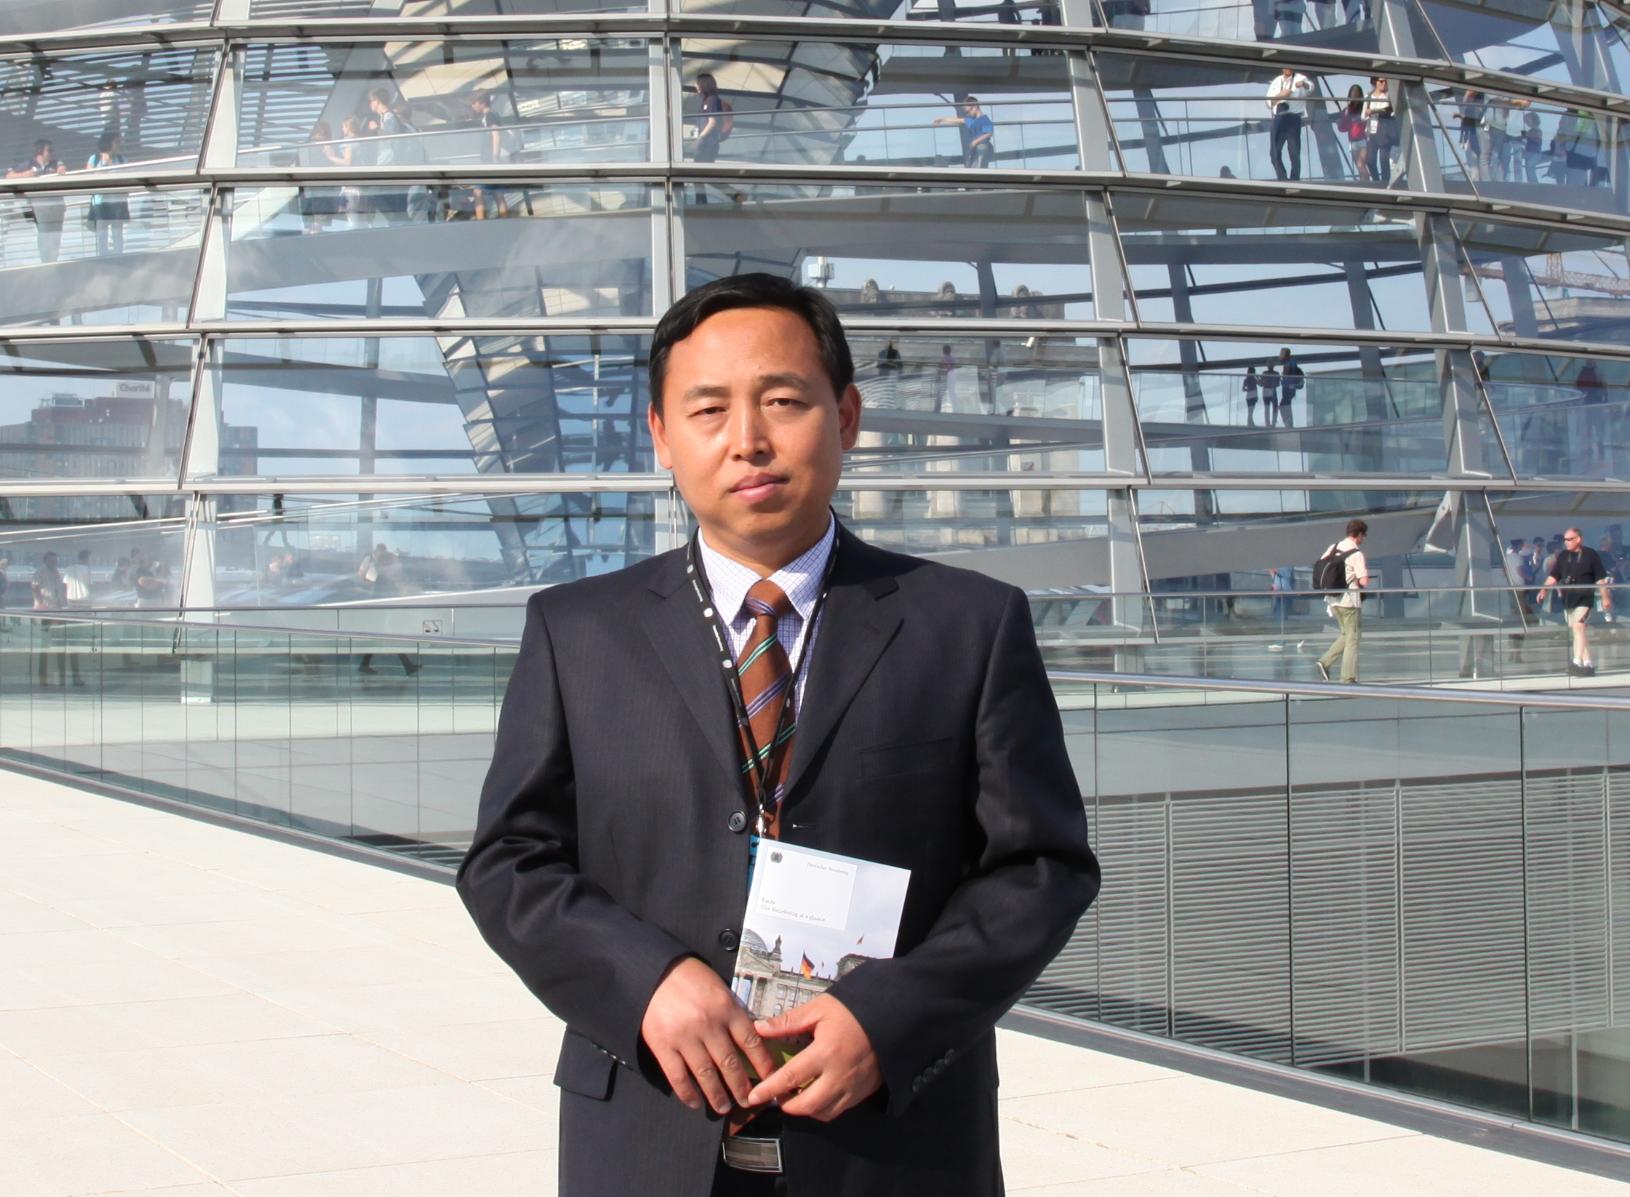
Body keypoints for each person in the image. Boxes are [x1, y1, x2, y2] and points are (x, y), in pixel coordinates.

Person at [457, 273, 1099, 1196]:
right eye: (708, 409)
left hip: (894, 1144)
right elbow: (508, 862)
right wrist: (646, 982)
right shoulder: (576, 631)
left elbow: (1041, 868)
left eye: (784, 401)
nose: (748, 439)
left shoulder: (969, 624)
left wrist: (890, 1017)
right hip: (646, 1138)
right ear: (661, 436)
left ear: (847, 416)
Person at [1536, 528, 1611, 676]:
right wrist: (1544, 590)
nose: (1566, 542)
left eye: (1570, 539)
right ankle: (1588, 663)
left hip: (1585, 598)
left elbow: (1600, 578)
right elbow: (1554, 576)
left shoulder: (1590, 555)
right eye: (1565, 539)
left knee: (1578, 626)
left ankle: (1576, 662)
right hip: (1569, 599)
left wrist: (1605, 597)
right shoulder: (1563, 556)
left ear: (1579, 539)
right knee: (1578, 631)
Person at [1316, 518, 1370, 683]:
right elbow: (1364, 581)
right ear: (1358, 534)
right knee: (1353, 638)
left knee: (1346, 634)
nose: (1364, 538)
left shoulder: (1333, 548)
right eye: (1364, 535)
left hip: (1333, 600)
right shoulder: (1356, 554)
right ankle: (1348, 678)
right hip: (1349, 601)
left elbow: (1321, 565)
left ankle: (1324, 662)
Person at [356, 543, 421, 675]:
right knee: (391, 638)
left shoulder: (382, 577)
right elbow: (387, 595)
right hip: (383, 613)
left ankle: (365, 664)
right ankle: (407, 666)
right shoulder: (384, 578)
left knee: (383, 638)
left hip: (381, 613)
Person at [7, 139, 69, 263]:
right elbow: (9, 176)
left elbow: (63, 169)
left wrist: (61, 170)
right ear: (40, 151)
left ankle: (53, 262)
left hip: (56, 208)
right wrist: (27, 175)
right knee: (44, 236)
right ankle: (45, 262)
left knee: (56, 237)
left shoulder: (55, 163)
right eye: (49, 150)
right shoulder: (29, 164)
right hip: (39, 208)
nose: (52, 153)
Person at [32, 551, 83, 686]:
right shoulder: (40, 572)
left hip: (58, 611)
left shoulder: (57, 573)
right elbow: (35, 588)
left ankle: (63, 677)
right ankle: (43, 678)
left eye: (55, 561)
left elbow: (60, 589)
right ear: (45, 561)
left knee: (62, 644)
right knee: (45, 646)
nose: (54, 563)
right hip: (46, 612)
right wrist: (41, 603)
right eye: (51, 561)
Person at [1265, 67, 1313, 182]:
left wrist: (1303, 84)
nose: (1288, 68)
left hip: (1293, 117)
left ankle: (1294, 179)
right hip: (1278, 118)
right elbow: (1268, 102)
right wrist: (1281, 96)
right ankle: (1282, 178)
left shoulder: (1300, 78)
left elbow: (1311, 87)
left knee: (1294, 151)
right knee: (1274, 152)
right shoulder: (1277, 81)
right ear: (1282, 69)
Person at [86, 131, 129, 256]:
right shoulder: (95, 158)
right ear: (109, 143)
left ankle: (118, 255)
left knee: (117, 232)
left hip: (117, 200)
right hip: (101, 201)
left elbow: (126, 176)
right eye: (116, 142)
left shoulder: (121, 159)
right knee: (102, 232)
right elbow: (89, 176)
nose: (119, 145)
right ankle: (103, 256)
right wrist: (104, 164)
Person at [469, 92, 511, 220]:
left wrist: (494, 157)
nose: (472, 106)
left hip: (489, 161)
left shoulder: (489, 115)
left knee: (478, 192)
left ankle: (481, 223)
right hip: (493, 160)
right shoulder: (494, 113)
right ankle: (505, 220)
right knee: (498, 193)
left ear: (481, 102)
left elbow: (496, 134)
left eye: (474, 103)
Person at [934, 95, 995, 169]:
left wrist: (976, 141)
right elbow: (958, 120)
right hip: (974, 149)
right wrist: (941, 119)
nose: (967, 114)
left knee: (981, 152)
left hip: (982, 147)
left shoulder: (984, 119)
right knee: (972, 164)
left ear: (975, 107)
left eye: (968, 111)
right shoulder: (971, 120)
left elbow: (989, 133)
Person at [1363, 78, 1396, 185]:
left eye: (1386, 81)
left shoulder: (1389, 96)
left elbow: (1390, 111)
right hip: (1372, 131)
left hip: (1384, 131)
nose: (1384, 83)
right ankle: (1377, 181)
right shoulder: (1368, 97)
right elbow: (1363, 115)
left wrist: (1374, 112)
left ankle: (1385, 183)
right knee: (1370, 160)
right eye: (1381, 81)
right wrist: (1369, 114)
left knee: (1384, 160)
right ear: (1375, 82)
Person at [1336, 84, 1369, 182]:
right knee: (1360, 166)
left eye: (1356, 94)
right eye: (1353, 94)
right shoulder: (1347, 110)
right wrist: (1344, 117)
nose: (1354, 96)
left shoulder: (1364, 108)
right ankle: (1364, 184)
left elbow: (1367, 121)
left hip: (1363, 140)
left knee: (1361, 164)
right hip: (1353, 141)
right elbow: (1343, 128)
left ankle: (1367, 184)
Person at [692, 73, 727, 164]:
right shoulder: (705, 100)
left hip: (708, 143)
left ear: (704, 84)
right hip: (705, 142)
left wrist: (700, 138)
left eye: (697, 83)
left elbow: (712, 122)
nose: (695, 86)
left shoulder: (712, 100)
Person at [1276, 347, 1303, 429]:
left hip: (1288, 388)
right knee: (1286, 405)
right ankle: (1289, 423)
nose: (1280, 355)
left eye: (1281, 354)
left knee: (1283, 405)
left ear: (1285, 355)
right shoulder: (1292, 362)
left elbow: (1287, 376)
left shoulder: (1288, 363)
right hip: (1291, 388)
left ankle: (1288, 424)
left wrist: (1282, 379)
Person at [875, 338, 902, 408]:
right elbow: (879, 364)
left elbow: (900, 364)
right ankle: (882, 404)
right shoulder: (881, 353)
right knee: (883, 391)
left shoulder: (895, 352)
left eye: (888, 343)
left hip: (892, 375)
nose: (886, 345)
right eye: (885, 343)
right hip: (883, 375)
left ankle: (891, 404)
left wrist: (892, 365)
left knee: (891, 390)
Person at [1260, 361, 1281, 427]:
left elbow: (1261, 383)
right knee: (1270, 407)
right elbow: (1278, 384)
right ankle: (1270, 423)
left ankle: (1270, 423)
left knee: (1270, 407)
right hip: (1270, 390)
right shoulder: (1275, 373)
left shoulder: (1266, 373)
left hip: (1269, 390)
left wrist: (1266, 383)